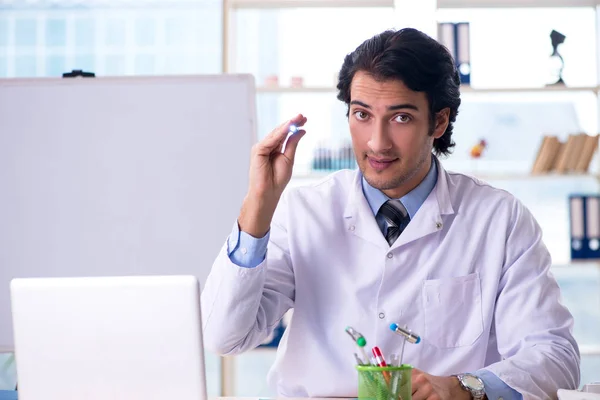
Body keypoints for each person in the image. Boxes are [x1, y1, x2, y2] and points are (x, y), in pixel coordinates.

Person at [201, 28, 580, 400]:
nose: (377, 142)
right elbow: (225, 337)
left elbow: (554, 356)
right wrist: (258, 207)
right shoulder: (304, 212)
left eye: (400, 118)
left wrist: (463, 386)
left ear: (439, 121)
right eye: (362, 114)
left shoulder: (499, 219)